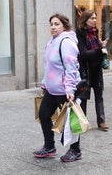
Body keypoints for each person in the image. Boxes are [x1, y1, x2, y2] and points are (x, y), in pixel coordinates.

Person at [33, 13, 82, 162]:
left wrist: (70, 89)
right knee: (43, 114)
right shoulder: (52, 42)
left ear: (65, 26)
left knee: (71, 121)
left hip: (65, 91)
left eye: (57, 24)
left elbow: (71, 68)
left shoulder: (66, 42)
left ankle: (75, 151)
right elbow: (48, 66)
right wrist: (44, 83)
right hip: (52, 89)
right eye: (51, 24)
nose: (53, 27)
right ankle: (49, 147)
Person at [76, 10, 109, 132]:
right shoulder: (80, 33)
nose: (95, 20)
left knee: (99, 95)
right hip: (86, 70)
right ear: (85, 20)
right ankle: (82, 122)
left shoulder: (95, 32)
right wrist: (99, 51)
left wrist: (101, 45)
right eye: (92, 18)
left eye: (95, 18)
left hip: (96, 69)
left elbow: (96, 50)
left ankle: (102, 121)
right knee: (83, 97)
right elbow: (83, 53)